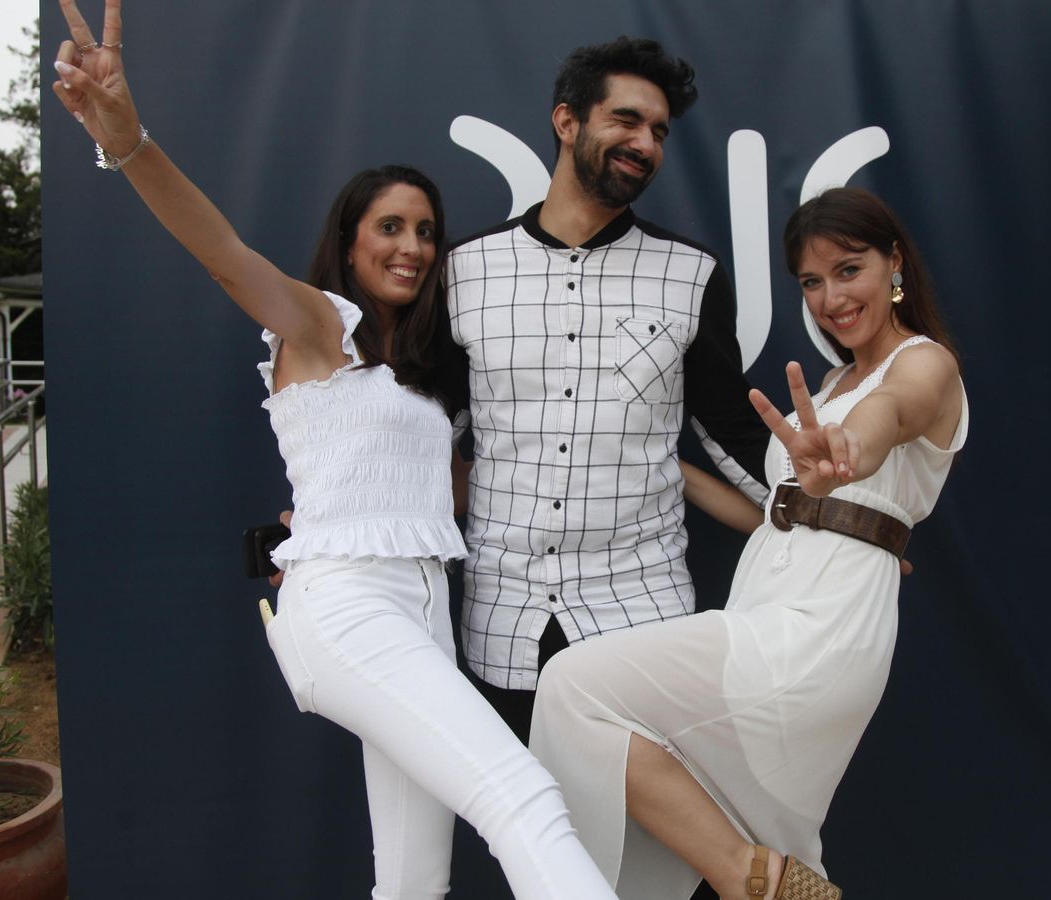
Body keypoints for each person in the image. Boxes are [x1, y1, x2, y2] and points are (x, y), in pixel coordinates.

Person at [47, 3, 617, 898]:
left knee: (415, 877)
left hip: (427, 605)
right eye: (390, 226)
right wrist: (127, 140)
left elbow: (452, 489)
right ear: (350, 240)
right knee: (522, 795)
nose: (414, 246)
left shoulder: (421, 371)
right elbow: (222, 255)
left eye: (426, 230)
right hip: (348, 607)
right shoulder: (318, 324)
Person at [529, 187, 969, 900]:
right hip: (767, 600)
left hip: (822, 624)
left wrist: (853, 447)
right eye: (812, 281)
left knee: (574, 688)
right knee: (599, 719)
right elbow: (772, 511)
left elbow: (896, 410)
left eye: (848, 269)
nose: (831, 297)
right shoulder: (831, 384)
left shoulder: (925, 365)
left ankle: (746, 877)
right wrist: (656, 462)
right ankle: (769, 879)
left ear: (895, 265)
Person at [444, 37, 771, 744]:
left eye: (658, 131)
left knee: (651, 841)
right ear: (568, 121)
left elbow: (732, 433)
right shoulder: (465, 271)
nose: (645, 143)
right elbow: (427, 433)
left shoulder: (690, 274)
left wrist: (841, 521)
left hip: (642, 612)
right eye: (626, 120)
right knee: (530, 840)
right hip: (505, 619)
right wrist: (334, 535)